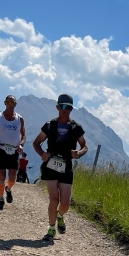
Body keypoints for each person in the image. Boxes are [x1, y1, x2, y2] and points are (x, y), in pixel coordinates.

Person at [32, 93, 88, 242]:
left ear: (71, 109)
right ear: (57, 107)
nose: (65, 110)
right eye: (63, 106)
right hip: (50, 165)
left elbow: (84, 146)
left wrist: (79, 153)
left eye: (69, 107)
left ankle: (60, 216)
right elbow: (36, 143)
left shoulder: (76, 127)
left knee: (65, 203)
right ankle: (51, 229)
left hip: (66, 166)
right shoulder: (49, 125)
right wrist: (42, 154)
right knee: (54, 200)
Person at [0, 95, 26, 210]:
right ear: (5, 103)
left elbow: (24, 135)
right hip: (1, 150)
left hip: (14, 150)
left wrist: (21, 144)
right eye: (8, 102)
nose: (10, 105)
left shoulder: (20, 119)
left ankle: (8, 189)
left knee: (13, 177)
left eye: (12, 103)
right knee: (2, 175)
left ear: (15, 104)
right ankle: (1, 199)